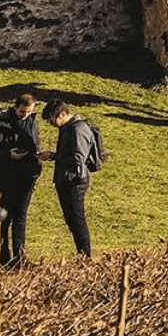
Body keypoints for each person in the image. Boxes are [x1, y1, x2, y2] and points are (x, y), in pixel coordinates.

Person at [0, 93, 43, 268]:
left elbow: (35, 145)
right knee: (4, 216)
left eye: (28, 112)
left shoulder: (31, 122)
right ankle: (3, 256)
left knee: (20, 215)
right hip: (3, 175)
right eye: (22, 112)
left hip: (26, 175)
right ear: (14, 107)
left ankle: (20, 255)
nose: (25, 115)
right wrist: (8, 155)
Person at [42, 99, 97, 258]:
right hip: (67, 179)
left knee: (77, 219)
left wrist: (52, 156)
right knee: (72, 219)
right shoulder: (68, 127)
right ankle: (82, 253)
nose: (52, 124)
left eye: (53, 120)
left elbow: (77, 159)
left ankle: (85, 256)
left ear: (63, 114)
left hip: (75, 180)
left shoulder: (78, 129)